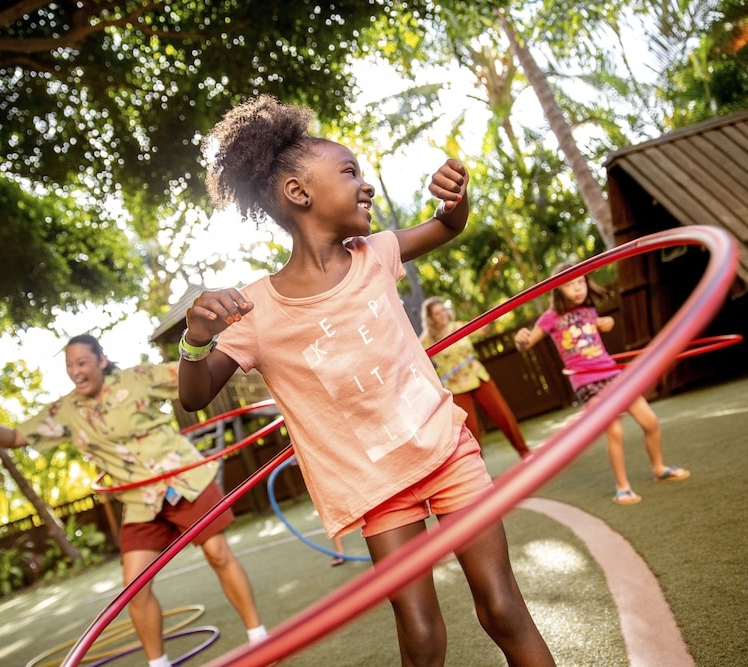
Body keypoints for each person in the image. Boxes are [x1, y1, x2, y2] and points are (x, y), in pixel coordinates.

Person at [177, 95, 554, 666]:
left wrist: (457, 199)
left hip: (446, 451)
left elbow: (447, 226)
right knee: (421, 632)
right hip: (375, 486)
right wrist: (195, 339)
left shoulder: (376, 253)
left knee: (502, 607)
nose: (366, 184)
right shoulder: (255, 310)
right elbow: (194, 395)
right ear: (298, 193)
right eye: (349, 172)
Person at [0, 334, 266, 667]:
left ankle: (259, 639)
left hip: (183, 478)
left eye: (82, 363)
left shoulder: (138, 378)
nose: (75, 371)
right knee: (133, 587)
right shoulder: (66, 410)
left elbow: (196, 376)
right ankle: (158, 664)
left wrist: (239, 350)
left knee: (217, 553)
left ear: (101, 361)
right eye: (69, 366)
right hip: (139, 501)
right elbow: (16, 437)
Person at [514, 262, 691, 505]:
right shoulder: (550, 318)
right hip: (587, 381)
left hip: (611, 374)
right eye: (569, 285)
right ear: (558, 290)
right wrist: (520, 339)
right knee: (614, 430)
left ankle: (659, 468)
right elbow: (526, 345)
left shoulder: (589, 309)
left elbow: (600, 328)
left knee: (650, 420)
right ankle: (622, 486)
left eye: (580, 282)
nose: (577, 289)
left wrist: (608, 323)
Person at [419, 296, 532, 459]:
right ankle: (480, 473)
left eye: (443, 310)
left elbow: (483, 330)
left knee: (503, 415)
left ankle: (525, 452)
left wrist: (493, 313)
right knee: (470, 430)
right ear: (430, 318)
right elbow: (417, 358)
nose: (442, 315)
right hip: (456, 385)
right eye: (437, 313)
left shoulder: (458, 326)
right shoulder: (426, 341)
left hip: (477, 376)